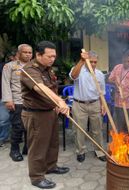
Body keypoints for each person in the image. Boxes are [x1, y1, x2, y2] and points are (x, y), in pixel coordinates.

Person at [21, 41, 70, 189]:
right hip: (35, 114)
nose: (52, 59)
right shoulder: (29, 69)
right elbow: (41, 88)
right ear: (38, 55)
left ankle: (50, 166)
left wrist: (55, 104)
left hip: (49, 112)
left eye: (54, 56)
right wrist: (60, 102)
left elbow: (52, 88)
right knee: (38, 146)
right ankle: (36, 177)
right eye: (49, 56)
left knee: (52, 142)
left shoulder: (47, 69)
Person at [69, 50, 106, 163]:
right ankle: (80, 151)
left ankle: (99, 151)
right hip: (79, 104)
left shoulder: (99, 74)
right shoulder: (79, 70)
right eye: (91, 61)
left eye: (95, 62)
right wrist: (81, 61)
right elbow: (73, 76)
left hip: (95, 104)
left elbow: (102, 92)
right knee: (79, 130)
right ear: (86, 61)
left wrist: (103, 105)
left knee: (97, 129)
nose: (93, 64)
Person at [2, 44, 32, 160]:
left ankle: (27, 148)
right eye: (25, 52)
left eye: (30, 52)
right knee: (17, 127)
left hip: (31, 102)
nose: (28, 54)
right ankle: (14, 150)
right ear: (19, 53)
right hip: (17, 101)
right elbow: (5, 83)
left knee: (30, 127)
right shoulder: (10, 66)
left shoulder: (34, 66)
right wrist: (8, 100)